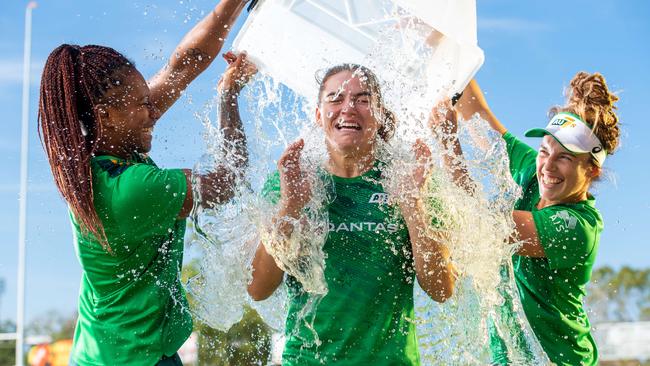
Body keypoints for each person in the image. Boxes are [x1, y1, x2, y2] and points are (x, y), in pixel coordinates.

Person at [37, 1, 256, 365]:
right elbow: (229, 180)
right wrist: (229, 96)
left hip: (121, 349)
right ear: (105, 114)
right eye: (142, 104)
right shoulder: (131, 188)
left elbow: (181, 66)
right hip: (128, 358)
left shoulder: (103, 156)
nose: (154, 110)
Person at [234, 63, 456, 365]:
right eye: (335, 99)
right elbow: (258, 288)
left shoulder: (410, 177)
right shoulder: (293, 178)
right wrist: (291, 206)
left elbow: (442, 288)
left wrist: (413, 206)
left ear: (378, 115)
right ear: (318, 115)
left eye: (363, 100)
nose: (348, 108)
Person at [434, 72, 620, 365]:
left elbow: (481, 225)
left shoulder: (578, 226)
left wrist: (447, 143)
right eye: (544, 151)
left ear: (591, 170)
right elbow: (479, 116)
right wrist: (450, 52)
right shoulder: (533, 176)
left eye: (565, 158)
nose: (548, 165)